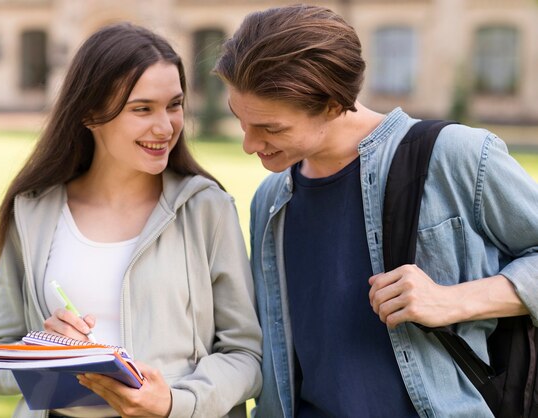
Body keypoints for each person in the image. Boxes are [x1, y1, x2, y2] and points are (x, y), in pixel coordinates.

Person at [213, 4, 538, 418]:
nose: (249, 144)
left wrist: (455, 301)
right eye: (241, 120)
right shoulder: (271, 198)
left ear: (334, 105)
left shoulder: (456, 156)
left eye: (271, 128)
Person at [0, 22, 262, 418]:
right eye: (142, 109)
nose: (165, 127)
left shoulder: (206, 209)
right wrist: (45, 349)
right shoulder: (32, 212)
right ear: (91, 114)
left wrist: (175, 402)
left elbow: (247, 354)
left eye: (174, 105)